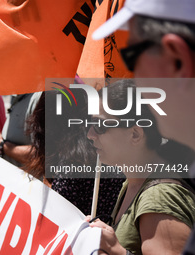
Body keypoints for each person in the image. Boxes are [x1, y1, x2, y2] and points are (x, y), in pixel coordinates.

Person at [92, 0, 195, 253]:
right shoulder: (132, 182)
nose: (133, 76)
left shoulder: (159, 195)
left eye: (132, 56)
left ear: (177, 60)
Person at [86, 80, 195, 255]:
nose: (90, 134)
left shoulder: (159, 196)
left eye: (100, 125)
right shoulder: (133, 182)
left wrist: (118, 252)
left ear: (135, 134)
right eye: (90, 124)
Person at [0, 92, 41, 167]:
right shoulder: (19, 95)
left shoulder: (38, 98)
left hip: (27, 177)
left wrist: (1, 145)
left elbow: (41, 157)